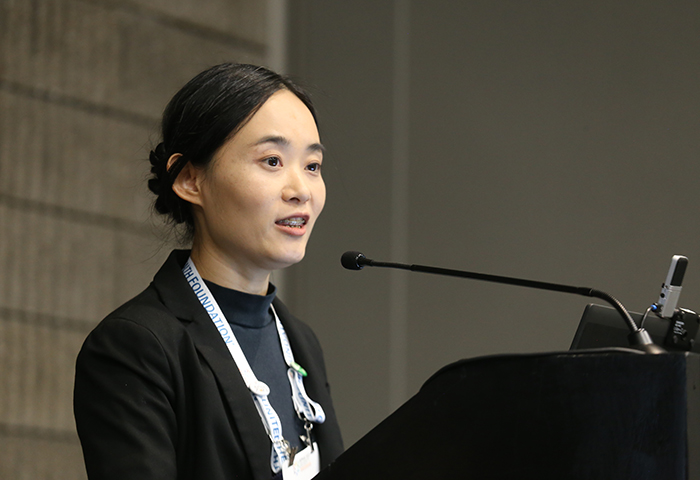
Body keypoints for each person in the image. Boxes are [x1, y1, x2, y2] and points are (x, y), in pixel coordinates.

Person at [73, 63, 344, 480]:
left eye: (312, 166)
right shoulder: (135, 347)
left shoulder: (299, 341)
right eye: (272, 161)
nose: (301, 190)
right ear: (190, 180)